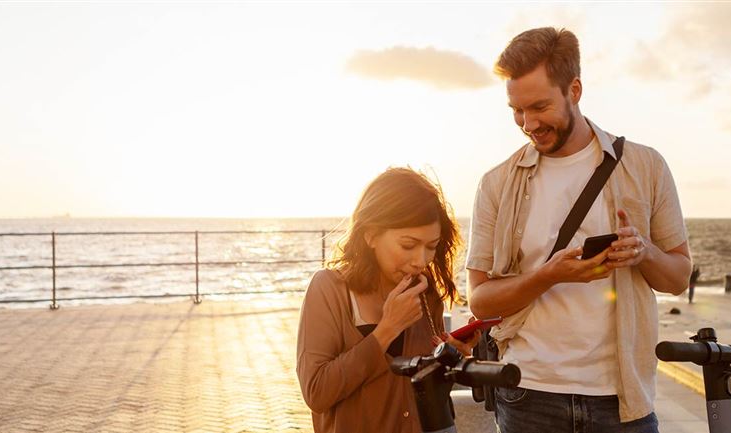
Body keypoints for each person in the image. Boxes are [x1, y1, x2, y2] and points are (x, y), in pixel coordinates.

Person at [467, 27, 692, 433]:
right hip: (527, 395)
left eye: (539, 107)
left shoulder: (646, 166)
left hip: (623, 399)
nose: (528, 123)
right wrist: (547, 275)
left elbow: (678, 276)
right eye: (516, 110)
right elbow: (481, 301)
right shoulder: (496, 183)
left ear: (575, 89)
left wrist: (645, 253)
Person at [296, 168, 478, 433]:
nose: (420, 261)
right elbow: (317, 392)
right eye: (408, 245)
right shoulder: (329, 289)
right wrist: (386, 330)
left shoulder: (426, 296)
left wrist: (453, 356)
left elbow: (426, 391)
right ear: (370, 234)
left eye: (431, 246)